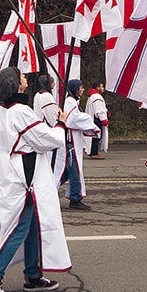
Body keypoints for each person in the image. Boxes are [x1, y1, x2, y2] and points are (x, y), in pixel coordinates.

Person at [0, 68, 71, 292]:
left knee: (30, 226)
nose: (25, 79)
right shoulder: (20, 112)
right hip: (24, 182)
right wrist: (60, 124)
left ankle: (32, 275)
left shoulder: (3, 111)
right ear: (14, 85)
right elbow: (48, 140)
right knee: (19, 228)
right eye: (21, 77)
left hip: (15, 178)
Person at [58, 79, 98, 210]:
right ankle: (75, 199)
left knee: (65, 172)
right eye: (80, 87)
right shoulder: (70, 102)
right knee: (74, 171)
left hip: (72, 142)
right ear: (75, 89)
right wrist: (88, 120)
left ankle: (50, 192)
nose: (83, 89)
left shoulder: (73, 102)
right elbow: (72, 120)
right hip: (71, 143)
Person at [85, 82, 109, 159]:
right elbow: (98, 109)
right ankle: (94, 152)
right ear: (98, 88)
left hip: (93, 119)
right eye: (102, 87)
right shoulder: (96, 97)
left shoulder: (92, 96)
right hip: (96, 119)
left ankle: (92, 151)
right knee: (97, 136)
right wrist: (103, 119)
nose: (103, 88)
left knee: (94, 136)